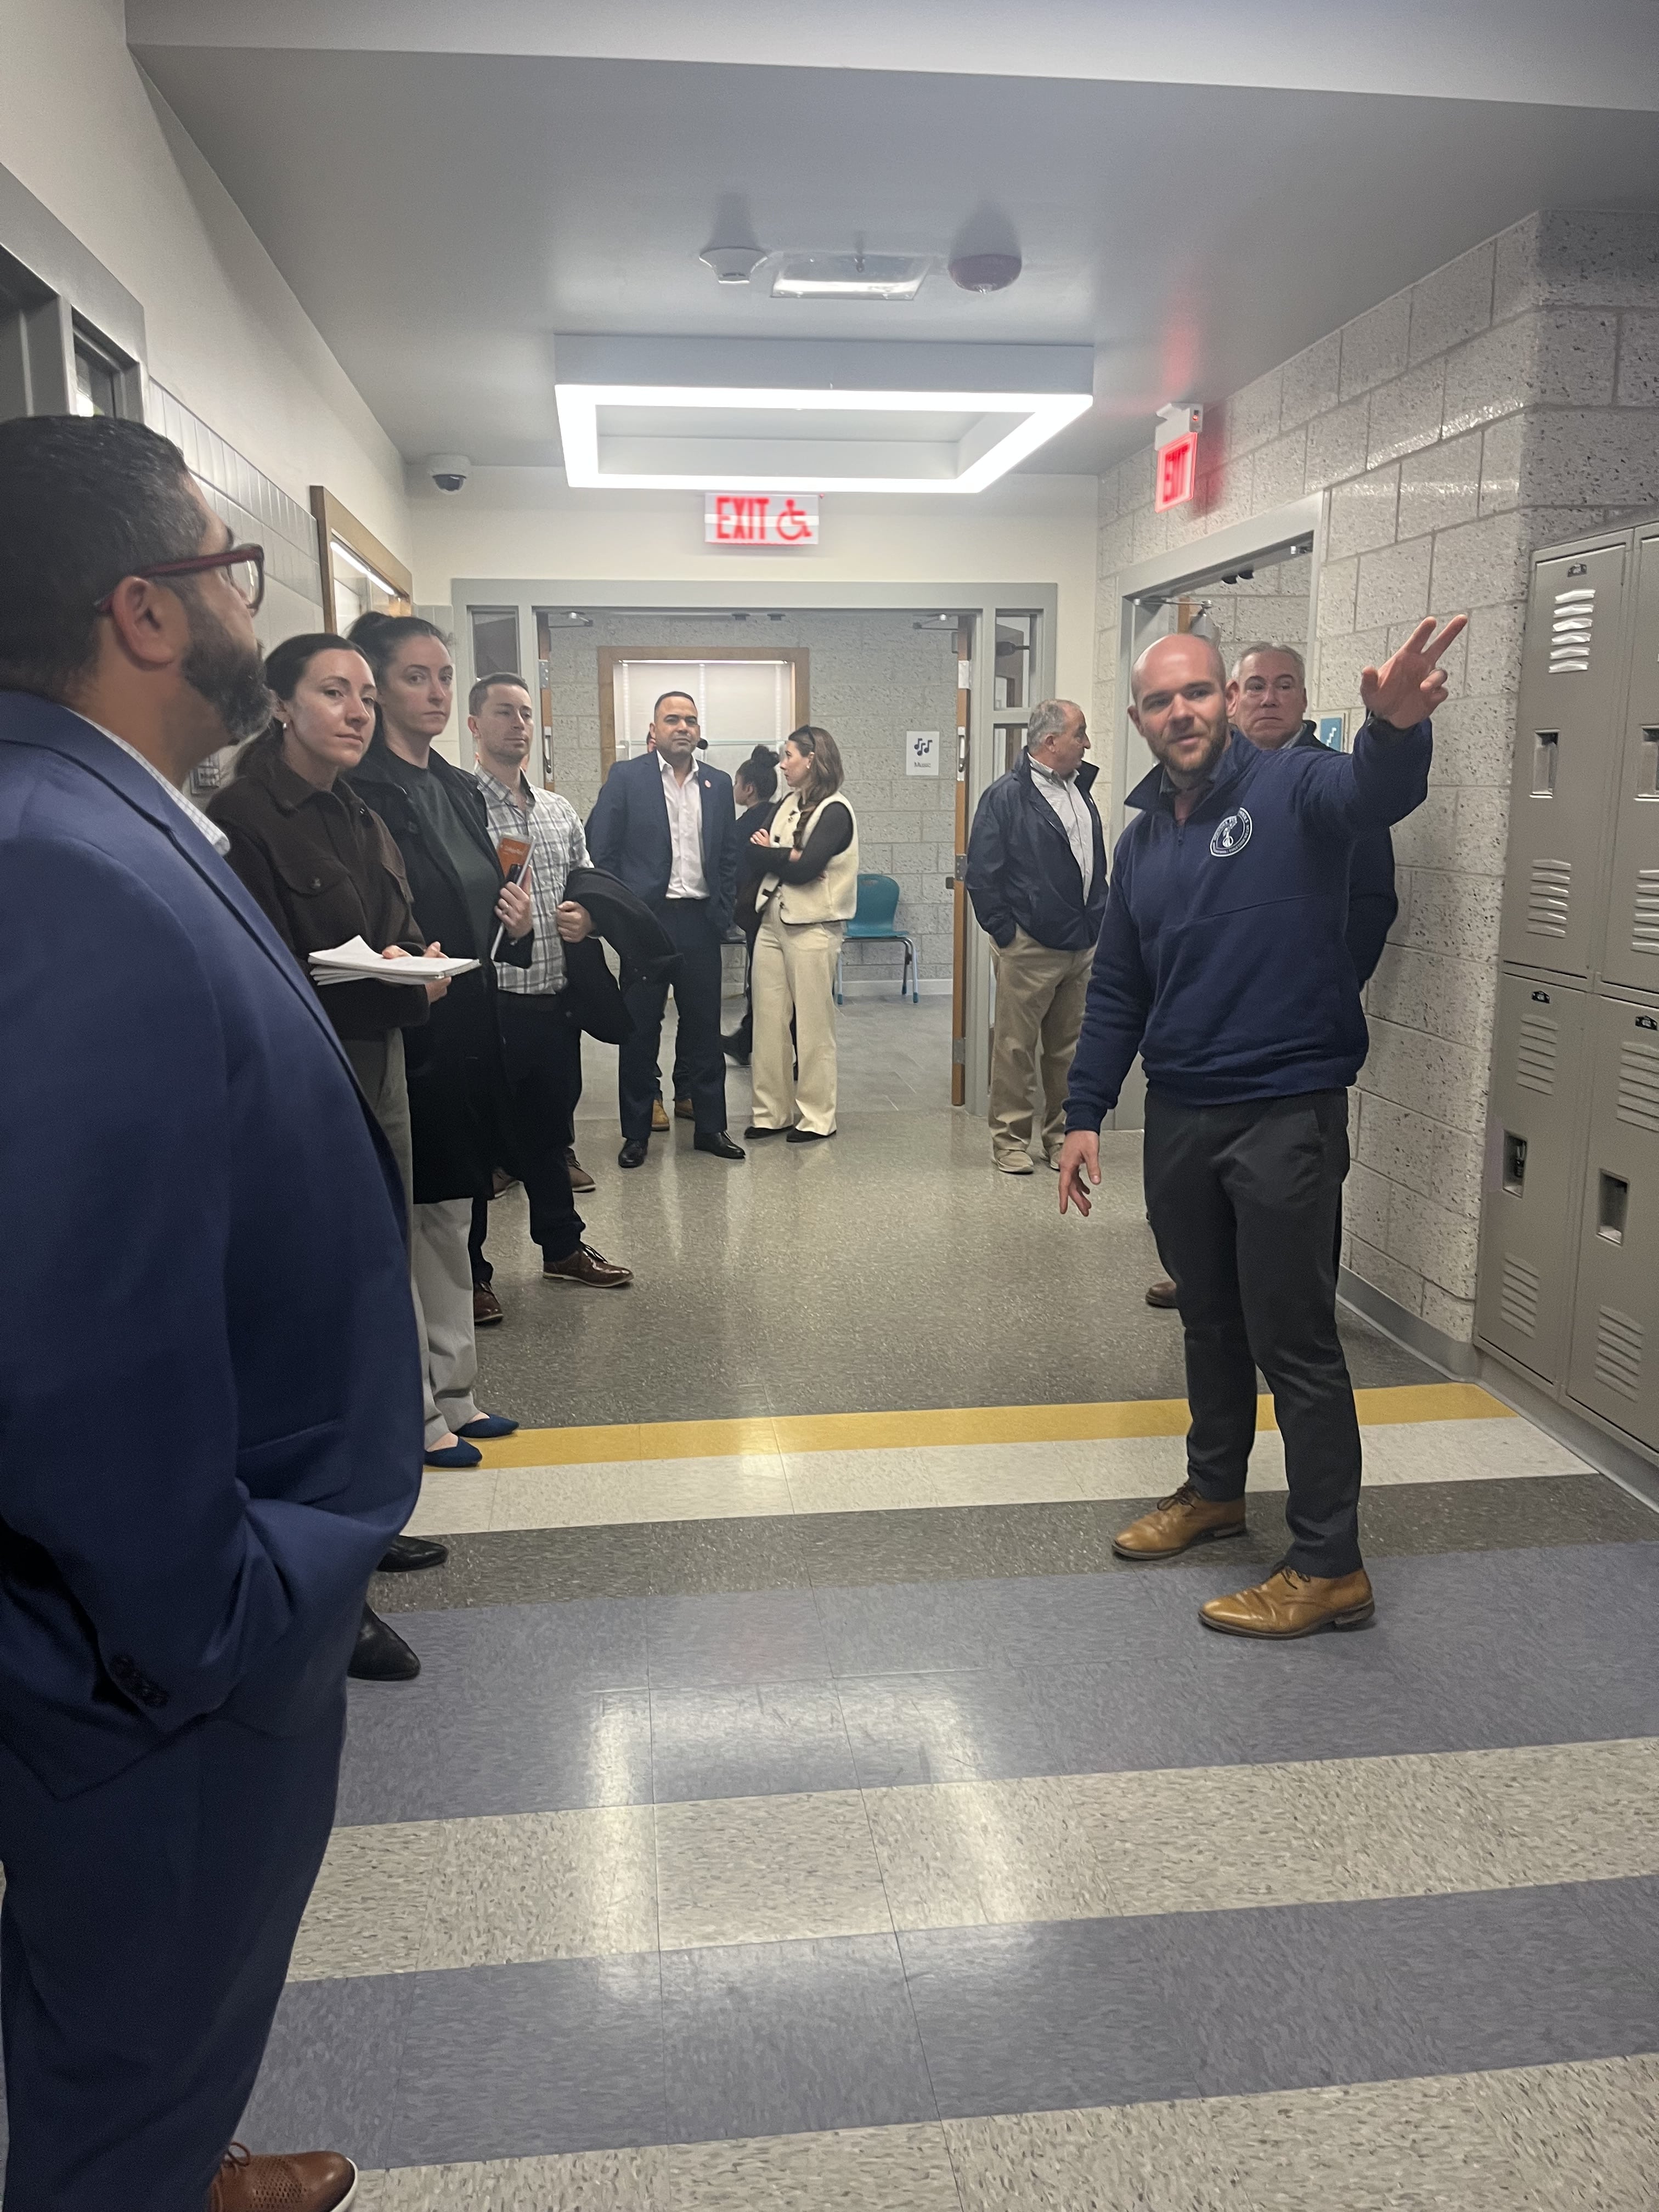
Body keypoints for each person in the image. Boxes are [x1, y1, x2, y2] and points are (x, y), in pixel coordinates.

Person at [0, 413, 414, 2210]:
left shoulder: (98, 816)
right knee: (135, 2014)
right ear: (147, 613)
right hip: (160, 1647)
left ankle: (180, 2158)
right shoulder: (67, 866)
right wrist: (211, 1625)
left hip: (165, 1608)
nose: (253, 607)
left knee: (161, 2012)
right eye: (224, 566)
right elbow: (77, 1336)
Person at [1056, 617, 1463, 1640]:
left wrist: (1392, 730)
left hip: (1283, 1111)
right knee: (1207, 1318)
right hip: (1182, 1112)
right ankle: (1214, 1490)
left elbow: (1375, 793)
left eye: (1197, 692)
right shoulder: (1144, 839)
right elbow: (1115, 987)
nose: (1180, 712)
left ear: (1226, 700)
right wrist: (1082, 1113)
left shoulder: (1297, 789)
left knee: (1294, 1341)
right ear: (1139, 719)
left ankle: (1328, 1565)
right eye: (1159, 700)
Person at [207, 633, 454, 1684]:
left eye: (364, 693)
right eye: (334, 692)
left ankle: (362, 1514)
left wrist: (411, 966)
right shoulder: (241, 818)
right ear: (280, 702)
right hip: (296, 1078)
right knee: (314, 1306)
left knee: (373, 1282)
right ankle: (325, 1584)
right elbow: (256, 966)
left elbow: (388, 928)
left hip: (376, 1055)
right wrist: (388, 975)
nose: (357, 711)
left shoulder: (358, 810)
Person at [1143, 641, 1400, 1307]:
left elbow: (1373, 899)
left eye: (1284, 686)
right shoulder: (1201, 794)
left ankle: (1295, 1306)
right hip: (1205, 1066)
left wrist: (1323, 978)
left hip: (1294, 1060)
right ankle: (1209, 1279)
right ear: (1233, 700)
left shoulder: (1327, 782)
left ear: (1305, 699)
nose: (1268, 698)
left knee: (1299, 1229)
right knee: (1212, 1268)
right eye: (1254, 686)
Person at [345, 613, 529, 1466]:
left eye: (445, 676)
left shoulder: (458, 787)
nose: (437, 692)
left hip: (469, 1018)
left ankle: (455, 1391)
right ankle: (415, 1411)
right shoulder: (361, 791)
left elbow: (483, 895)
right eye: (417, 677)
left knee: (455, 1212)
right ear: (377, 686)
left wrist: (517, 919)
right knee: (411, 1219)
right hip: (406, 1025)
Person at [467, 670, 632, 1290]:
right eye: (505, 713)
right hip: (490, 1005)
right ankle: (473, 1273)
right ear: (476, 726)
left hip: (553, 1002)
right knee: (480, 1147)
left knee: (548, 1136)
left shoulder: (559, 810)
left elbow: (588, 884)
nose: (520, 725)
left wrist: (587, 914)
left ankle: (563, 1248)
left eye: (527, 714)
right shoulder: (463, 806)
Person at [586, 689, 744, 1166]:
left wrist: (722, 910)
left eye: (691, 720)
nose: (683, 727)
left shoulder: (717, 785)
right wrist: (619, 917)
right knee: (639, 1029)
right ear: (654, 731)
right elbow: (602, 850)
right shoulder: (627, 778)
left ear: (699, 732)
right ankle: (635, 1132)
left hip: (699, 921)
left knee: (703, 1029)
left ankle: (712, 1128)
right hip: (645, 924)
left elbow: (728, 857)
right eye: (672, 719)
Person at [967, 698, 1106, 1175]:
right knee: (1015, 1048)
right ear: (1051, 742)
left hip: (1081, 944)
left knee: (1068, 1052)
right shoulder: (1006, 796)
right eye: (1080, 734)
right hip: (1029, 946)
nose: (1087, 743)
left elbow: (1091, 864)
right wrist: (1008, 934)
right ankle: (1009, 1140)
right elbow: (982, 874)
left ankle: (1060, 1137)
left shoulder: (1080, 791)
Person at [744, 724, 859, 1143]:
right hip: (772, 921)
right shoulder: (787, 803)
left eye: (789, 755)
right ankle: (770, 1113)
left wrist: (779, 855)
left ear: (812, 759)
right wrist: (785, 856)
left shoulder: (836, 810)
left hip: (813, 927)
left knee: (812, 1027)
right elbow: (754, 853)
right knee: (769, 1022)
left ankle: (816, 1117)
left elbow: (808, 868)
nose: (782, 763)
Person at [723, 742, 781, 1063]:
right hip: (782, 909)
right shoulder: (782, 816)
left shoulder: (743, 827)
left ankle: (749, 1042)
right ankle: (745, 1040)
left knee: (760, 981)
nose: (733, 788)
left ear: (748, 789)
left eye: (736, 782)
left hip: (756, 914)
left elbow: (734, 874)